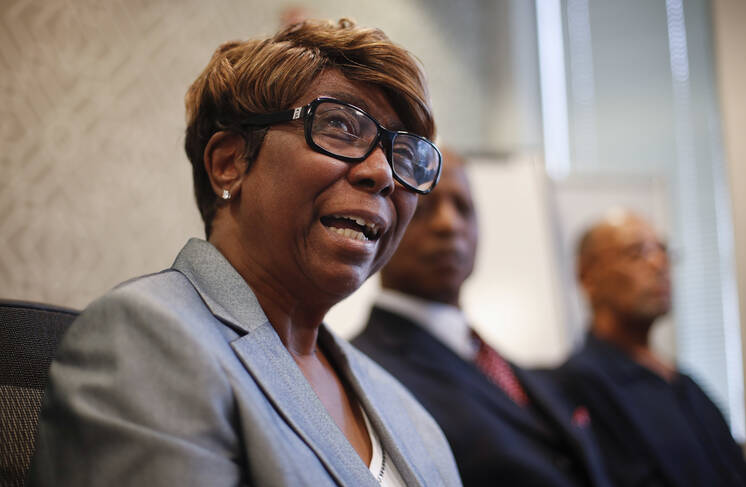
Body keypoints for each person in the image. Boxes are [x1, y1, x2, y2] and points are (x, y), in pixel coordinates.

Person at [28, 19, 461, 487]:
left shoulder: (411, 414)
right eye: (339, 126)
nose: (383, 173)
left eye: (403, 155)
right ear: (228, 163)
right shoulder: (145, 338)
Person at [353, 150, 612, 486]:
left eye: (464, 208)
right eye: (426, 207)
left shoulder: (504, 364)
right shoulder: (365, 375)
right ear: (384, 220)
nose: (449, 224)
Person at [556, 210, 746, 486]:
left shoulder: (683, 384)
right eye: (637, 253)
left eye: (663, 251)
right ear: (588, 276)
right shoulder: (580, 386)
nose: (660, 264)